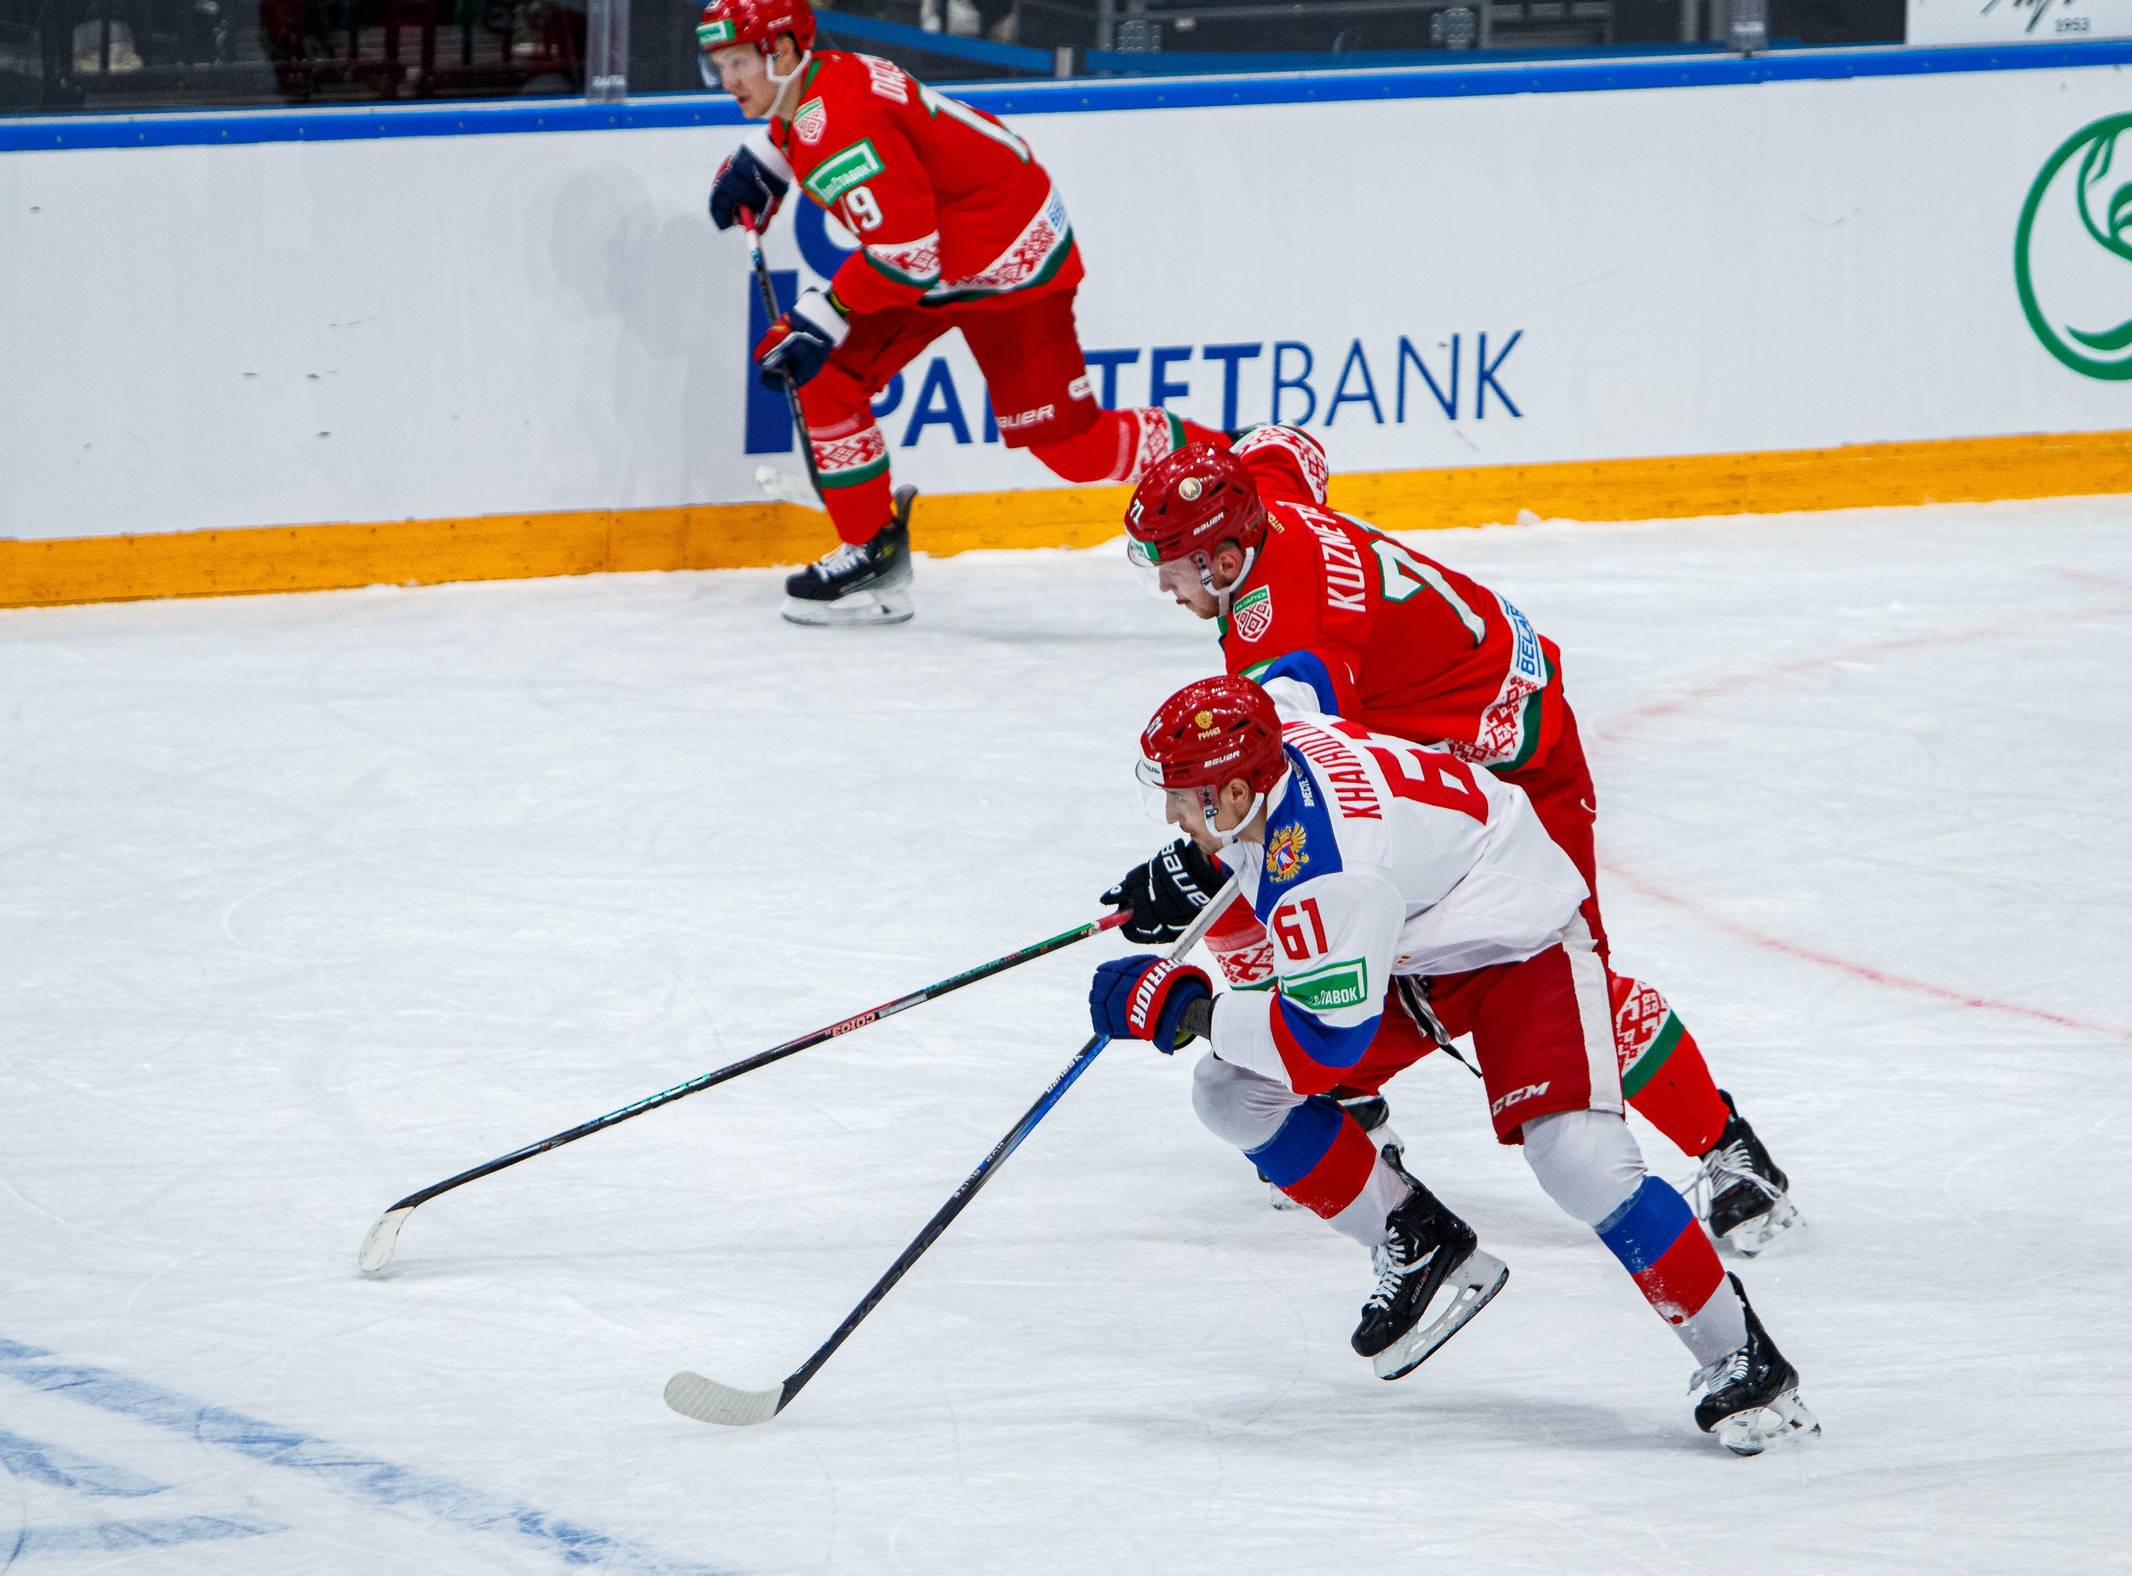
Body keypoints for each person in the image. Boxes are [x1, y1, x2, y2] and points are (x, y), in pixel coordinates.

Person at [1103, 431, 1799, 1252]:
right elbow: (1289, 447)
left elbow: (1302, 786)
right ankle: (1348, 1092)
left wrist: (1195, 862)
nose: (1163, 585)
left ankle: (1730, 1148)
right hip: (1459, 727)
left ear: (1224, 561)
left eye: (1172, 567)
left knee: (1557, 983)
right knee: (1353, 936)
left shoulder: (1288, 647)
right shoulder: (1262, 496)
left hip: (1517, 766)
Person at [1088, 675, 1817, 1452]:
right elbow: (1298, 680)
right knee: (1231, 1094)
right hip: (1412, 945)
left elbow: (1321, 1045)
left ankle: (1742, 1355)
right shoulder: (1280, 744)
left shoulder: (1334, 868)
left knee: (1580, 1160)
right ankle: (1414, 1233)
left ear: (1239, 787)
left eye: (1187, 796)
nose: (1174, 814)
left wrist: (1188, 1011)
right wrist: (1206, 861)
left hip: (1516, 942)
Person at [698, 0, 1226, 625]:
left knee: (1074, 450)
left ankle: (1241, 464)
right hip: (940, 250)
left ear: (782, 53)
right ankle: (873, 552)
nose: (727, 80)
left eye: (738, 62)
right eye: (719, 65)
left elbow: (906, 260)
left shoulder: (843, 122)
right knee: (827, 376)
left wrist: (823, 314)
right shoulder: (818, 81)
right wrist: (768, 165)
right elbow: (812, 132)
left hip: (1004, 257)